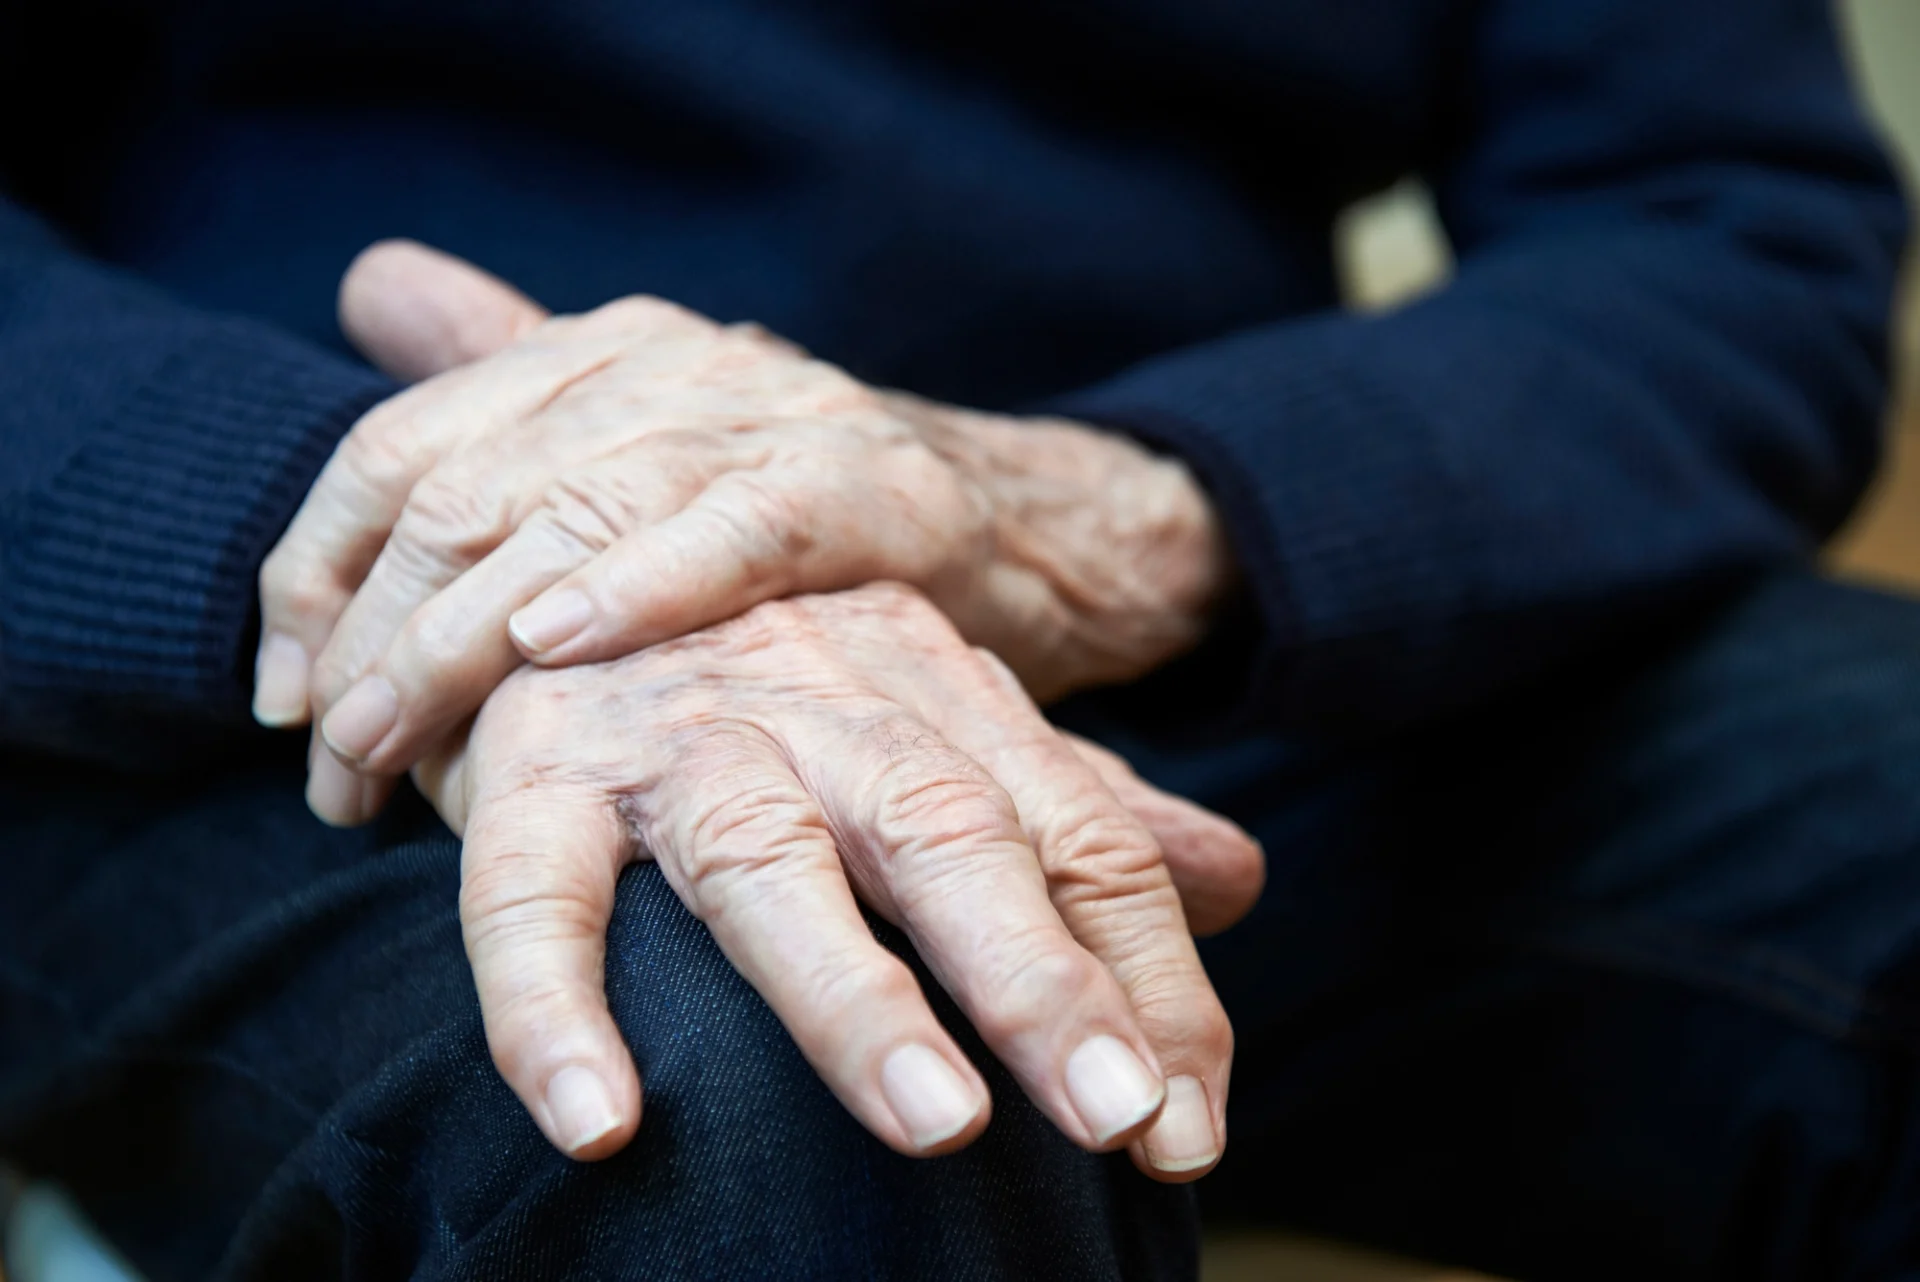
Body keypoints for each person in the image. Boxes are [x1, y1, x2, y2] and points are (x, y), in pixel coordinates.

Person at [0, 0, 1913, 1277]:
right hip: (254, 656)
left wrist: (1085, 515)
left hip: (1198, 608)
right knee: (744, 1075)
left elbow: (1727, 221)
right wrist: (436, 538)